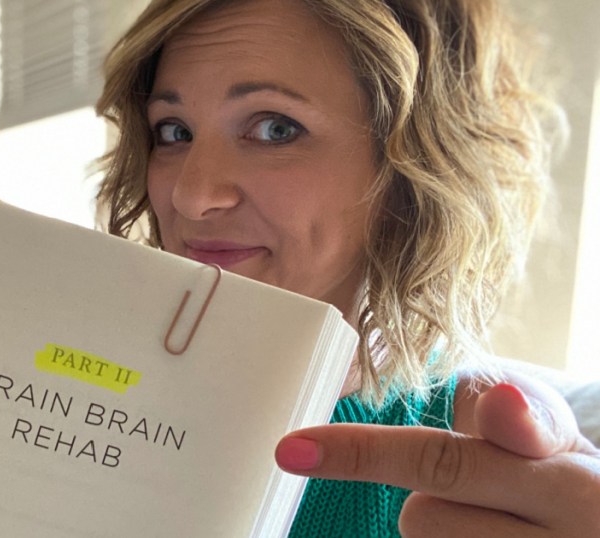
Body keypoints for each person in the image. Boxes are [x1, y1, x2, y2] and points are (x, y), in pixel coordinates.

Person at [94, 0, 600, 535]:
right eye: (174, 131)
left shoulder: (471, 442)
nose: (192, 197)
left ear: (415, 164)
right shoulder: (68, 374)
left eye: (275, 129)